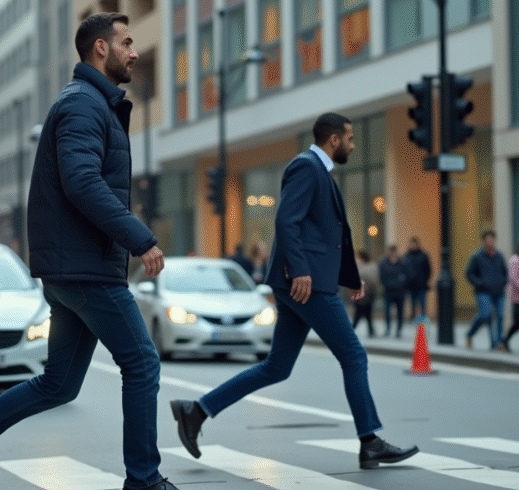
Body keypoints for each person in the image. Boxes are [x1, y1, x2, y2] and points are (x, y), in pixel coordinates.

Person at [0, 13, 204, 490]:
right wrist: (140, 238)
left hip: (76, 267)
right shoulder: (82, 106)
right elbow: (83, 183)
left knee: (58, 384)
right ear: (100, 48)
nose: (134, 53)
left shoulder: (95, 105)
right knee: (141, 362)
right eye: (126, 43)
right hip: (85, 269)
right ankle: (143, 477)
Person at [170, 112, 419, 470]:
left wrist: (349, 276)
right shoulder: (306, 167)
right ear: (333, 140)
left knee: (277, 367)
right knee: (354, 356)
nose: (352, 144)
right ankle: (370, 440)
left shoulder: (323, 173)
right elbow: (287, 220)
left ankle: (197, 411)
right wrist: (300, 271)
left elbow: (331, 235)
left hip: (305, 282)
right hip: (307, 285)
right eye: (349, 138)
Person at [464, 231, 508, 351]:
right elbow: (469, 273)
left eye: (492, 239)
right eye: (488, 240)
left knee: (500, 316)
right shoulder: (477, 256)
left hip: (499, 291)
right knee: (485, 315)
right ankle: (470, 334)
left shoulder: (499, 256)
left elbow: (505, 272)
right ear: (483, 241)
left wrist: (503, 282)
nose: (490, 242)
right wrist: (480, 283)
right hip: (483, 291)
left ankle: (498, 342)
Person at [378, 244, 407, 337]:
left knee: (400, 311)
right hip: (388, 291)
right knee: (387, 311)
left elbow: (405, 276)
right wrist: (390, 283)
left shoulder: (402, 262)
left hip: (399, 292)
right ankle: (388, 329)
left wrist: (399, 284)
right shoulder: (383, 263)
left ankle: (399, 330)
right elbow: (382, 277)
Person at [352, 250, 380, 337]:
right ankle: (371, 331)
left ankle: (350, 332)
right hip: (362, 294)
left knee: (358, 315)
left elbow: (373, 281)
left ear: (362, 258)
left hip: (366, 294)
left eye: (357, 258)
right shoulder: (361, 267)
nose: (356, 260)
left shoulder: (369, 267)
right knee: (367, 314)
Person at [403, 237, 431, 321]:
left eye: (414, 244)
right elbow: (404, 270)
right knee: (412, 303)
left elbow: (428, 270)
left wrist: (424, 280)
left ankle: (423, 318)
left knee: (422, 303)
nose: (413, 246)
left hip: (421, 285)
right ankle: (412, 318)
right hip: (410, 285)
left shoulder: (423, 255)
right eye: (412, 244)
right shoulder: (406, 256)